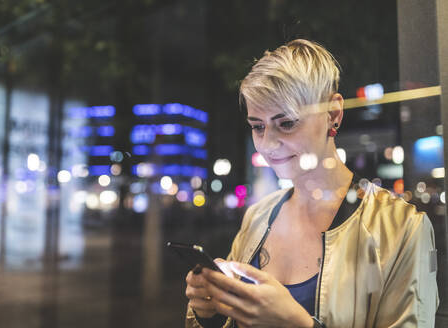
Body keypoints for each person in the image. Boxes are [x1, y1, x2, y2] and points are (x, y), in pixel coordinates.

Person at [184, 39, 439, 328]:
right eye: (258, 126)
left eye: (287, 123)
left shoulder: (399, 227)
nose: (267, 145)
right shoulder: (258, 217)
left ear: (333, 114)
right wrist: (212, 313)